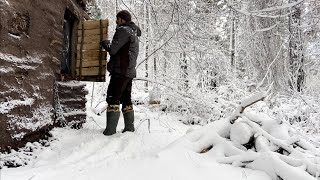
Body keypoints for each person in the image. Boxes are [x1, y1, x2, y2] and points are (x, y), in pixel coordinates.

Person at [101, 10, 141, 136]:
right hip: (128, 72)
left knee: (113, 98)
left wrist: (105, 43)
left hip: (121, 71)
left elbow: (113, 50)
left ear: (123, 19)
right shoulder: (133, 32)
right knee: (126, 99)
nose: (116, 21)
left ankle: (110, 130)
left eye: (117, 19)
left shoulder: (124, 30)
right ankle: (129, 128)